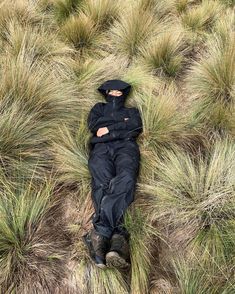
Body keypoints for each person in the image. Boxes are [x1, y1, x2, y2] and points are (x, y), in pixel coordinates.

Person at [82, 79, 143, 270]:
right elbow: (94, 126)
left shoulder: (132, 112)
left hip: (126, 148)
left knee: (126, 179)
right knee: (102, 184)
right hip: (101, 149)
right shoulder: (98, 108)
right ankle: (118, 239)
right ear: (106, 92)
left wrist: (109, 129)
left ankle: (100, 234)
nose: (116, 93)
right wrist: (121, 127)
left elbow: (135, 128)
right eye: (112, 90)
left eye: (120, 91)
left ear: (124, 93)